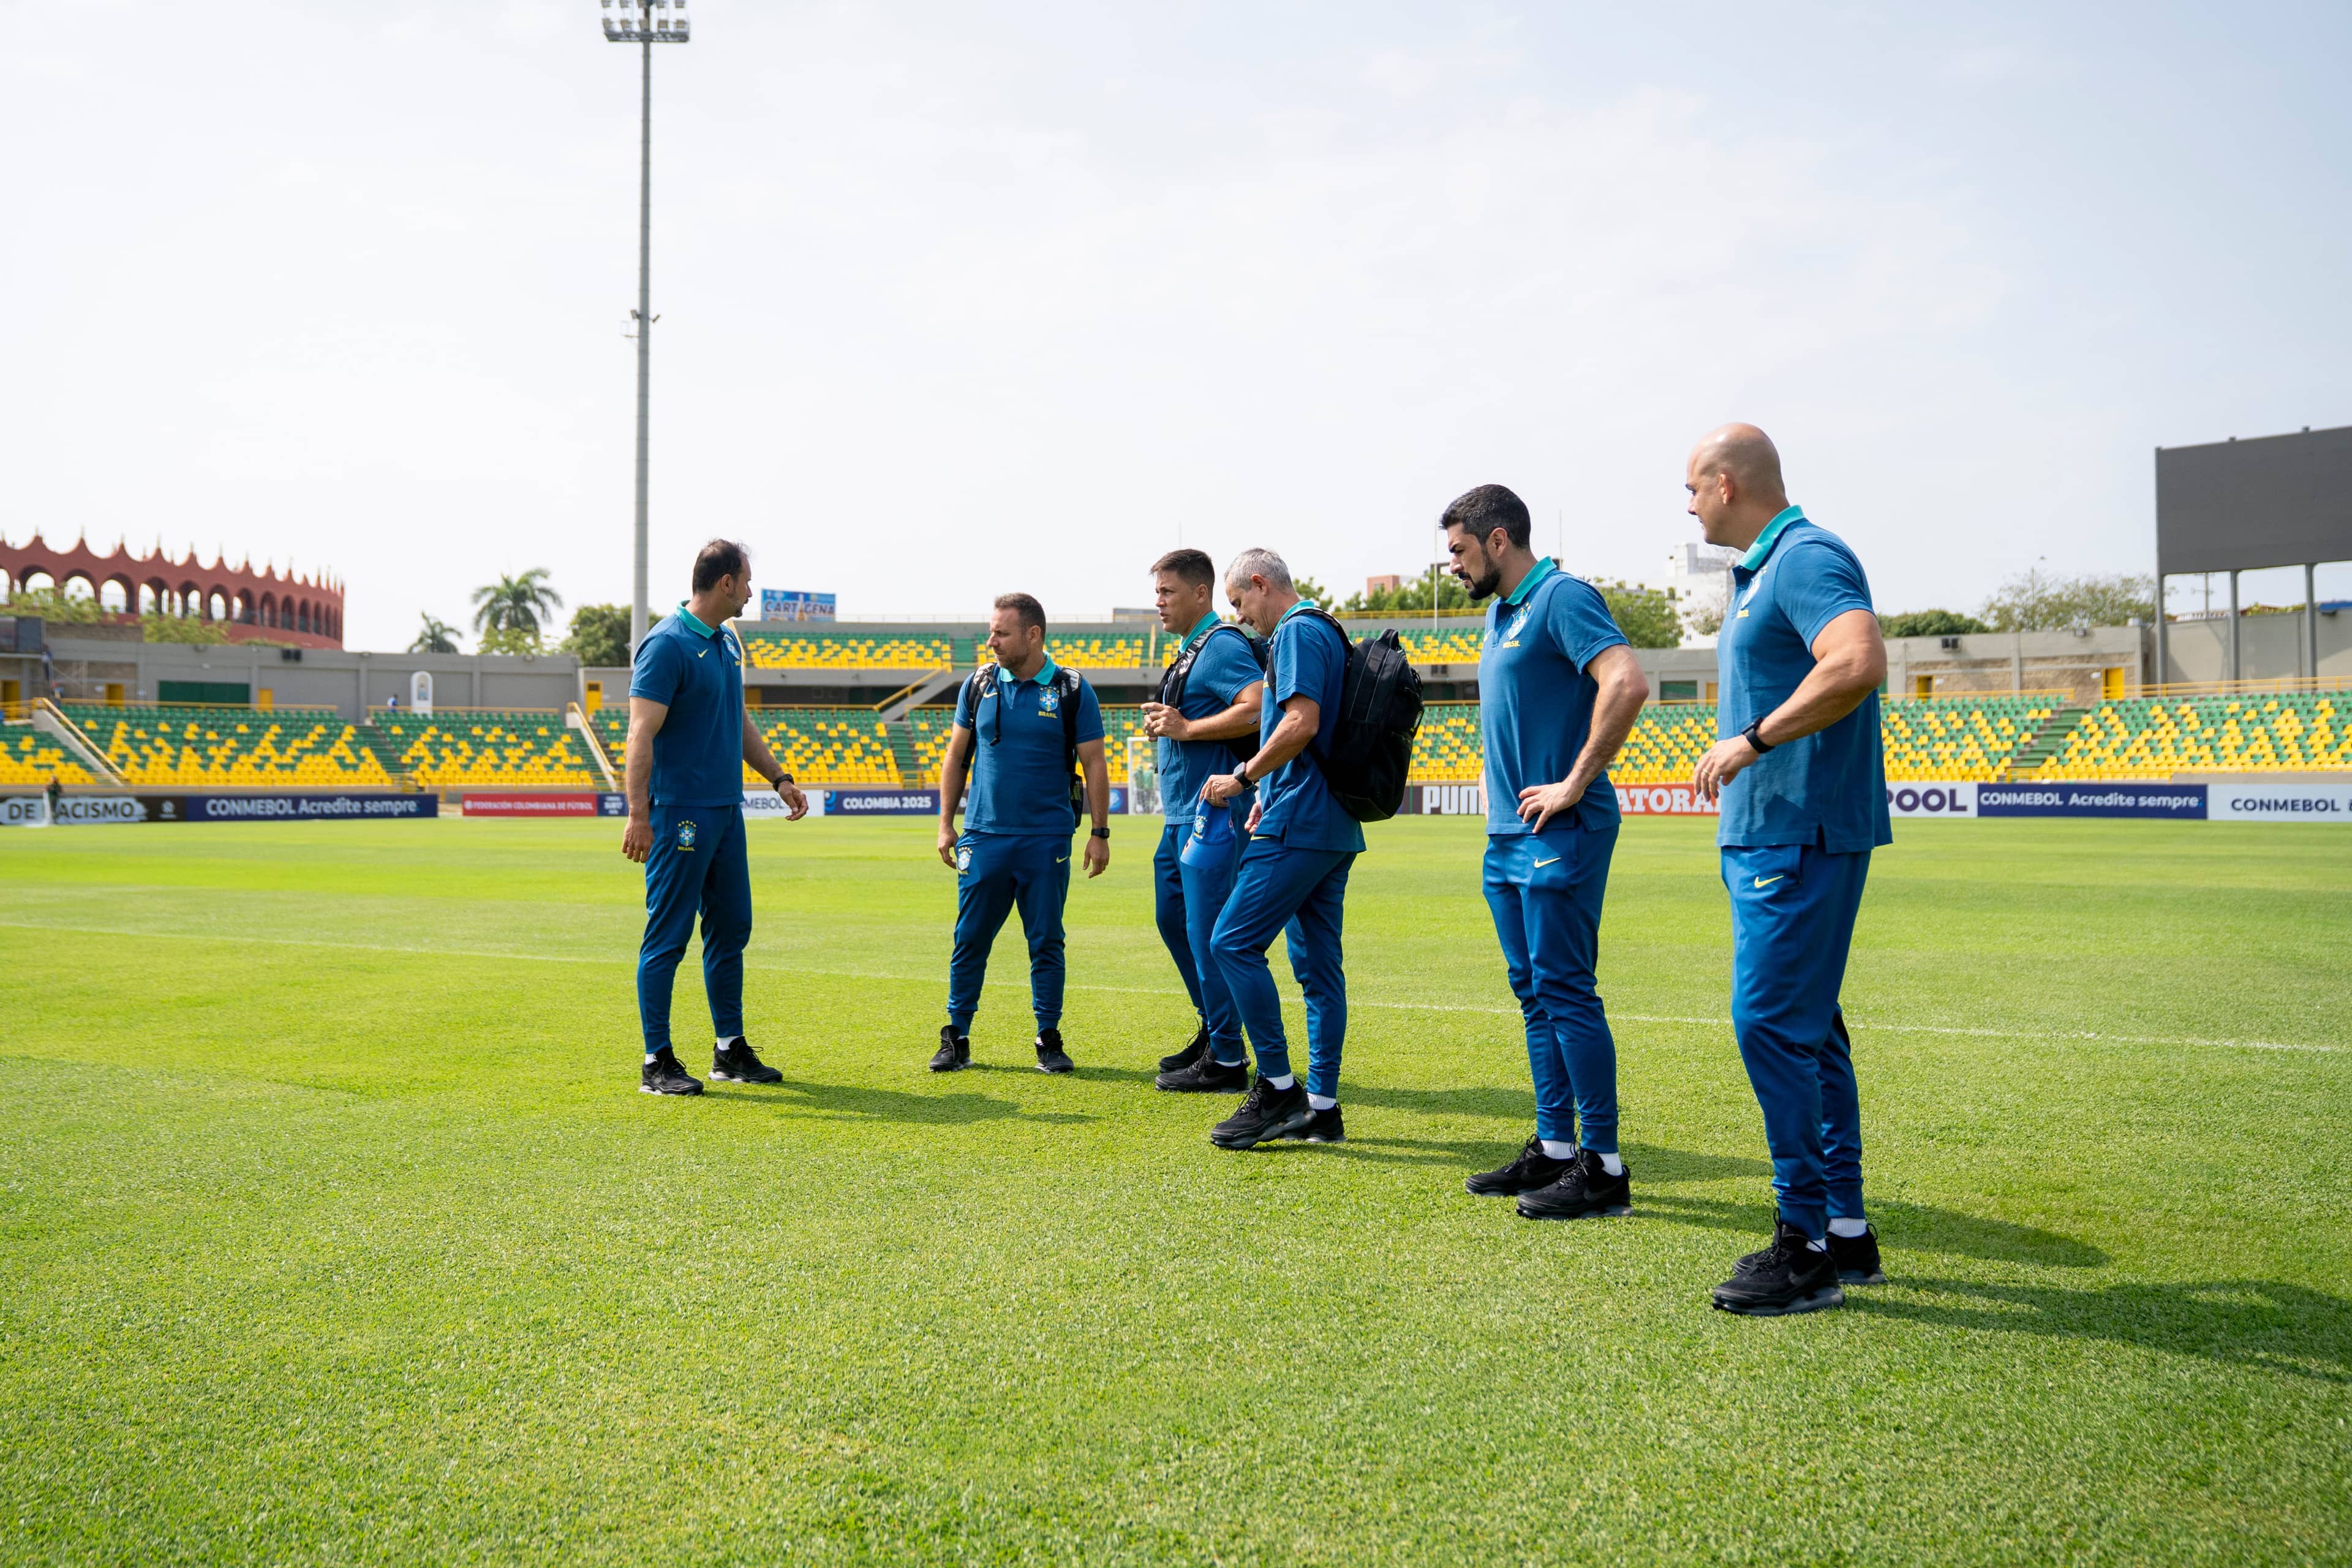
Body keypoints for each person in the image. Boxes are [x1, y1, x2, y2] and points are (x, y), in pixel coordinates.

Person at [1686, 424, 1892, 1315]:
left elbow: (1858, 660)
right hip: (1771, 834)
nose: (1689, 506)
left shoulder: (1805, 556)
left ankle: (1802, 1242)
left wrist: (1754, 738)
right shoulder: (1760, 573)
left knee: (1768, 1025)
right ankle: (1842, 1232)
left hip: (1798, 832)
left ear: (1727, 484)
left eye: (1692, 488)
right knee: (1810, 1032)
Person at [1439, 485, 1650, 1219]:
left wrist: (1573, 782)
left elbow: (1626, 681)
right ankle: (1557, 1147)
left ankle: (1605, 1167)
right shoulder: (1500, 613)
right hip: (1508, 835)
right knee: (1533, 991)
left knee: (1565, 989)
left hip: (1563, 829)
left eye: (1460, 551)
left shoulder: (1563, 597)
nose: (1454, 566)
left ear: (1499, 539)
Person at [622, 539, 808, 1096]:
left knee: (731, 928)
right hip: (679, 812)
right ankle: (656, 1061)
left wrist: (778, 777)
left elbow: (737, 720)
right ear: (725, 582)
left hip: (726, 812)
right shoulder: (666, 644)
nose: (751, 590)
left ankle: (729, 1050)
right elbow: (640, 733)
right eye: (747, 580)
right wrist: (638, 814)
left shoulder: (727, 641)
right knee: (668, 935)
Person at [1198, 548, 1363, 1148]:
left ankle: (1276, 1087)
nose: (1240, 617)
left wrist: (1244, 777)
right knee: (1319, 970)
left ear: (1261, 584)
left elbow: (1301, 722)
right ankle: (1322, 1107)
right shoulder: (1329, 628)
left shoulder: (1295, 630)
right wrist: (1268, 791)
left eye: (1239, 602)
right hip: (1331, 820)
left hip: (1300, 820)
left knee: (1231, 941)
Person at [932, 593, 1111, 1074]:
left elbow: (1095, 763)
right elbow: (956, 757)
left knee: (1046, 940)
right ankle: (956, 1036)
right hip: (983, 837)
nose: (991, 641)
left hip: (1046, 839)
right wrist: (946, 824)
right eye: (991, 631)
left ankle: (1048, 1038)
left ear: (1033, 635)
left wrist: (1100, 831)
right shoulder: (978, 684)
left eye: (1001, 633)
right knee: (970, 938)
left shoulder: (1072, 688)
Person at [1138, 548, 1266, 1093]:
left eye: (1167, 592)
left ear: (1199, 593)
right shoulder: (1190, 651)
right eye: (1157, 592)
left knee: (1208, 931)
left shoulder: (1219, 645)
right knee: (1173, 921)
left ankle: (1228, 1059)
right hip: (1180, 814)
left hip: (1213, 814)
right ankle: (1216, 1029)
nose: (1159, 602)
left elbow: (1257, 705)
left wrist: (1187, 729)